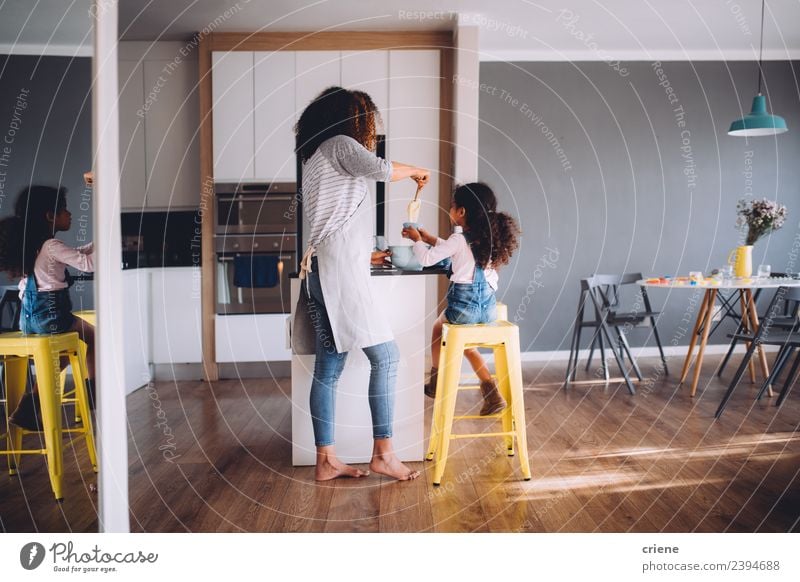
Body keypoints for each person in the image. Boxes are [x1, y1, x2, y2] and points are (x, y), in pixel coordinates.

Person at [295, 86, 429, 481]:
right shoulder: (340, 144)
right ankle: (384, 454)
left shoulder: (316, 156)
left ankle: (325, 460)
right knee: (386, 358)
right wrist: (417, 171)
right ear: (352, 119)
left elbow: (334, 221)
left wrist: (362, 255)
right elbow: (382, 170)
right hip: (337, 272)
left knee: (329, 368)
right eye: (366, 118)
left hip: (324, 267)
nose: (369, 126)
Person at [402, 182, 520, 415]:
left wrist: (417, 240)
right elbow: (455, 251)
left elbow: (426, 259)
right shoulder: (486, 239)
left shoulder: (458, 239)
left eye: (452, 206)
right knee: (467, 346)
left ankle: (436, 382)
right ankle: (491, 392)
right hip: (487, 310)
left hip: (464, 308)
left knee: (438, 328)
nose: (451, 210)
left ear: (462, 211)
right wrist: (430, 238)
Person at [0, 184, 95, 431]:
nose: (70, 214)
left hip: (28, 320)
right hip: (51, 317)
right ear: (50, 216)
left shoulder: (34, 245)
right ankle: (92, 392)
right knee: (94, 336)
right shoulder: (52, 245)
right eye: (64, 210)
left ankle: (29, 408)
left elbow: (76, 254)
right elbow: (87, 264)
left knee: (63, 353)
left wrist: (100, 240)